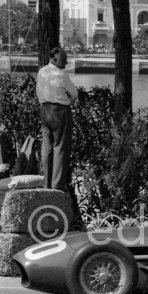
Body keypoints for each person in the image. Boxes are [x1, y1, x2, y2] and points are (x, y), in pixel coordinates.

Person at [36, 47, 78, 191]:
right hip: (60, 112)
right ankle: (57, 186)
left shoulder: (41, 72)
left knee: (47, 147)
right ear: (54, 59)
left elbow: (38, 91)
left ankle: (47, 183)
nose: (66, 63)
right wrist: (65, 99)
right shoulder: (61, 74)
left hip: (45, 110)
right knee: (60, 148)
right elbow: (74, 93)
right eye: (64, 60)